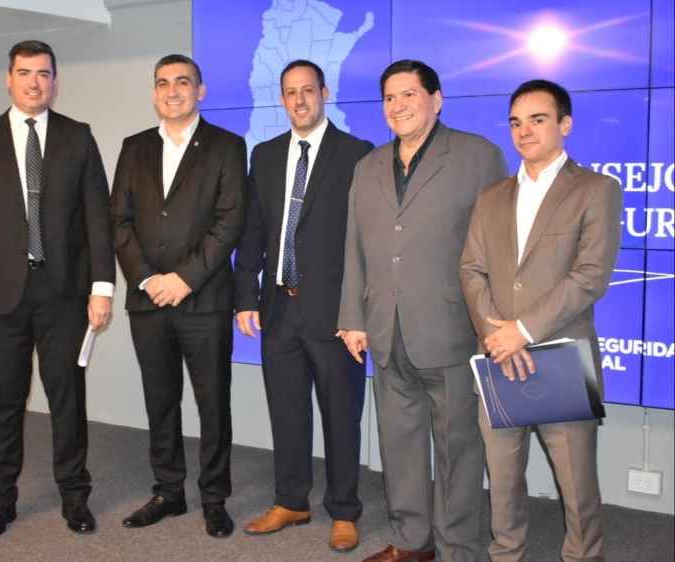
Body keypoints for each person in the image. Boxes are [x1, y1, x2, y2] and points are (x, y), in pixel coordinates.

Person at [338, 59, 509, 562]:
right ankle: (412, 541)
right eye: (389, 98)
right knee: (399, 443)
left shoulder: (478, 156)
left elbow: (498, 250)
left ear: (436, 99)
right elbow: (355, 247)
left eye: (409, 94)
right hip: (385, 329)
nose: (398, 106)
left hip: (453, 329)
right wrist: (352, 318)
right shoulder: (368, 166)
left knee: (458, 450)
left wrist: (492, 326)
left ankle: (458, 548)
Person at [0, 40, 115, 539]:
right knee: (4, 401)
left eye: (43, 73)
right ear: (9, 78)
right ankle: (1, 500)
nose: (34, 82)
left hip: (64, 292)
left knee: (68, 400)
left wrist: (102, 286)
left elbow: (98, 216)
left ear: (55, 81)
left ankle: (75, 497)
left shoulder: (78, 136)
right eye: (24, 73)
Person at [460, 79, 621, 562]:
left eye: (537, 119)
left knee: (577, 485)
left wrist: (522, 331)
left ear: (565, 124)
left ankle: (583, 556)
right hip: (499, 358)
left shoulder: (596, 189)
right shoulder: (491, 196)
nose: (524, 131)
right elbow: (471, 269)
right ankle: (506, 554)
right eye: (516, 122)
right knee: (503, 482)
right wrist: (496, 335)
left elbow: (590, 277)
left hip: (562, 358)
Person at [234, 60, 373, 552]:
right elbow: (253, 230)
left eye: (308, 90)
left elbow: (366, 240)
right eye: (290, 92)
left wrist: (358, 312)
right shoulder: (266, 155)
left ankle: (344, 510)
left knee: (341, 416)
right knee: (287, 412)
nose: (299, 100)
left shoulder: (357, 154)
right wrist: (245, 297)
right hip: (278, 308)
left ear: (324, 93)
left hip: (335, 315)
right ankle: (291, 500)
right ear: (282, 98)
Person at [110, 54, 247, 538]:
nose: (172, 91)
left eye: (182, 82)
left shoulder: (227, 146)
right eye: (163, 83)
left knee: (213, 404)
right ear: (154, 93)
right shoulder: (134, 148)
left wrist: (184, 279)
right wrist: (148, 279)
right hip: (148, 301)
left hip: (203, 299)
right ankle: (168, 491)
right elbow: (119, 221)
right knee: (160, 400)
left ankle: (214, 498)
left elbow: (230, 221)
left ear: (200, 91)